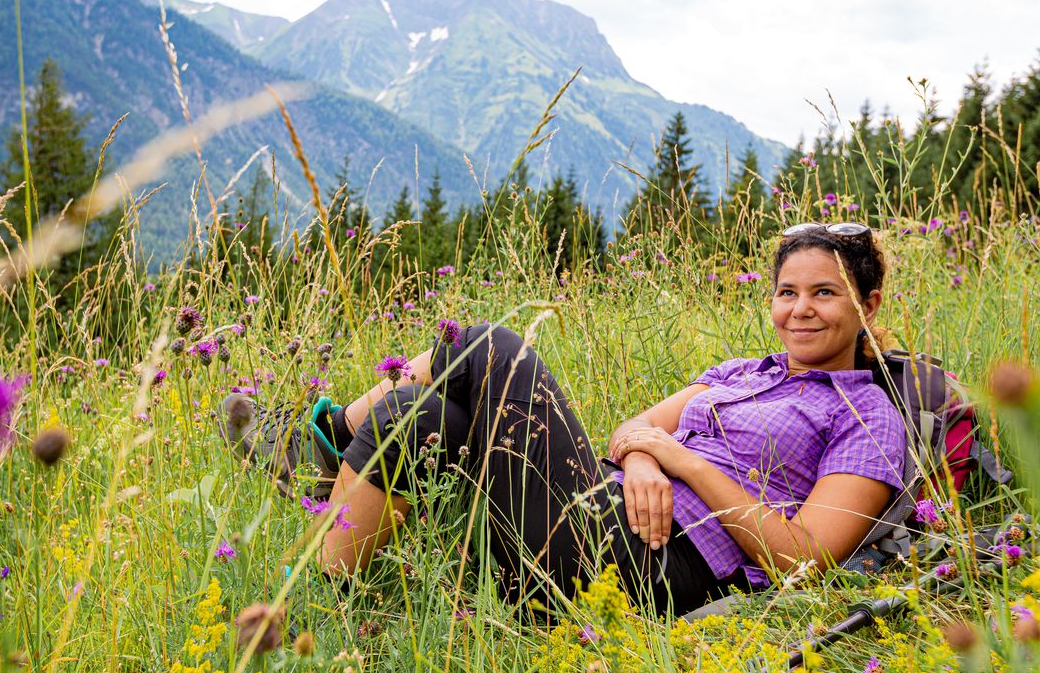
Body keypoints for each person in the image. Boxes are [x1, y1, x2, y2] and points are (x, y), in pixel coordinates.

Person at [227, 223, 907, 617]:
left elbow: (807, 556)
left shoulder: (867, 413)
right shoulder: (740, 371)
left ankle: (327, 442)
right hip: (595, 511)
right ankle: (326, 600)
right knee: (418, 413)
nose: (801, 309)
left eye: (825, 293)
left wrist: (684, 461)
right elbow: (633, 429)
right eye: (788, 292)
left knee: (489, 344)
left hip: (655, 564)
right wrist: (642, 456)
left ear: (868, 306)